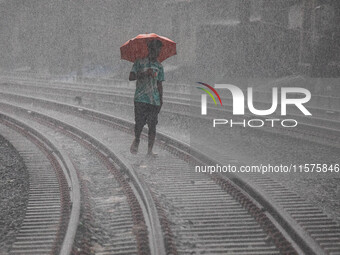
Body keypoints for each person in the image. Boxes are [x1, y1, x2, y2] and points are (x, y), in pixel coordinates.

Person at [129, 39, 164, 157]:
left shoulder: (159, 66)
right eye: (156, 50)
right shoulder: (139, 63)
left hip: (154, 100)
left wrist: (161, 99)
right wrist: (144, 73)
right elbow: (131, 77)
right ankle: (137, 139)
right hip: (140, 99)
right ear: (150, 50)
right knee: (139, 123)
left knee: (152, 126)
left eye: (159, 50)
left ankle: (150, 150)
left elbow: (159, 84)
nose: (158, 52)